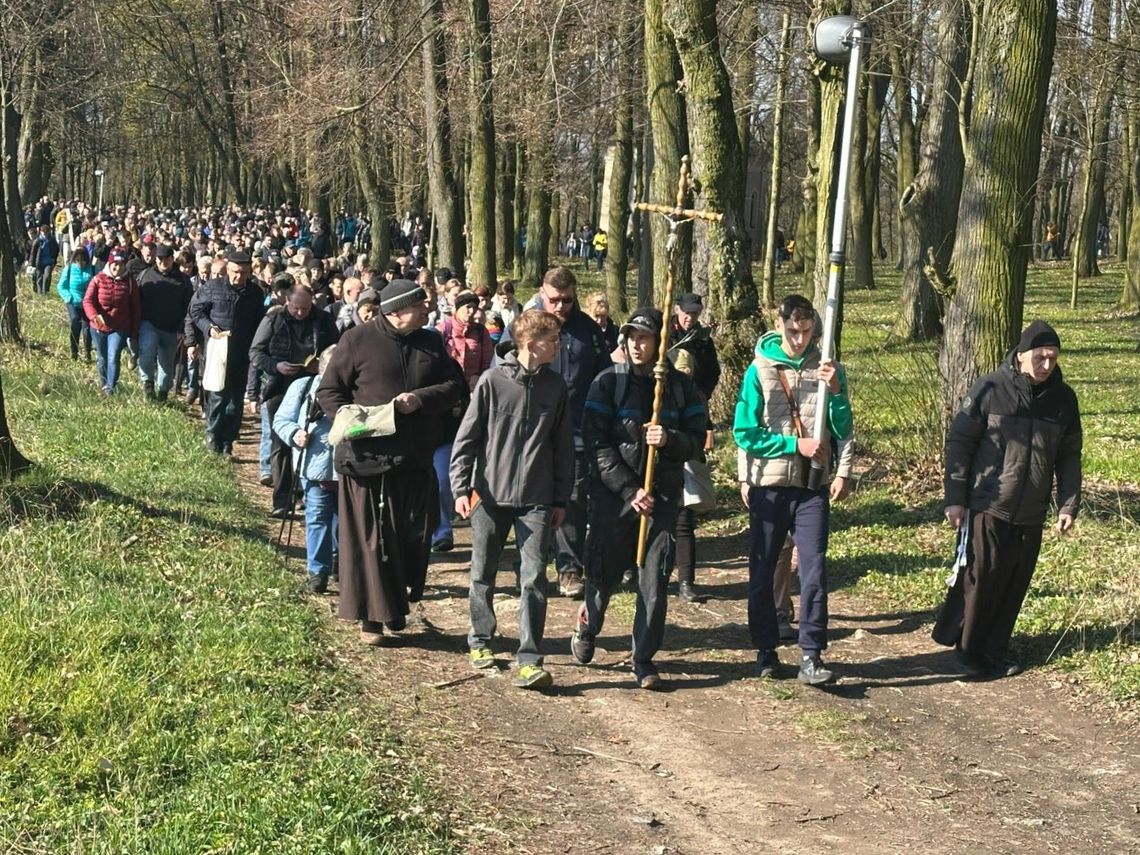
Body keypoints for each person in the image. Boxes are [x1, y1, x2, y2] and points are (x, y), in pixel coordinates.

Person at [316, 279, 465, 645]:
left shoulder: (430, 342)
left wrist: (421, 400)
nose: (429, 309)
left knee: (410, 537)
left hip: (415, 458)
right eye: (421, 304)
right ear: (397, 310)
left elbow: (457, 386)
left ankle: (395, 603)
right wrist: (354, 420)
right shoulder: (357, 340)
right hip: (367, 460)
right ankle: (372, 618)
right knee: (372, 542)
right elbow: (328, 392)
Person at [933, 320, 1081, 678]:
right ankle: (969, 653)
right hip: (988, 503)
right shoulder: (989, 389)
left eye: (1053, 357)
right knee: (982, 577)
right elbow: (960, 444)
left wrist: (1068, 503)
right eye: (1040, 357)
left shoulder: (1064, 399)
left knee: (1014, 582)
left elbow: (1069, 455)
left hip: (1031, 510)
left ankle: (994, 650)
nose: (1046, 365)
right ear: (1021, 354)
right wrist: (955, 497)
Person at [571, 307, 707, 690]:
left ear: (660, 343)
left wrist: (669, 439)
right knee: (602, 575)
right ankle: (588, 627)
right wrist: (631, 491)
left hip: (663, 497)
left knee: (655, 579)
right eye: (631, 336)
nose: (636, 344)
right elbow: (596, 445)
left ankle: (643, 658)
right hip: (614, 498)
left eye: (644, 338)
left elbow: (696, 442)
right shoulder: (607, 383)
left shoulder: (680, 388)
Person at [450, 310, 574, 689]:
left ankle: (530, 657)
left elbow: (563, 447)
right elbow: (467, 438)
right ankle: (481, 640)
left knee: (535, 576)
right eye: (552, 340)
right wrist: (460, 488)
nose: (558, 345)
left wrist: (560, 498)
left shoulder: (557, 387)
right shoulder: (491, 382)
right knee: (482, 571)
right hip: (488, 494)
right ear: (531, 343)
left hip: (537, 498)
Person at [733, 294, 853, 686]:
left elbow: (841, 426)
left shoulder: (827, 368)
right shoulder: (759, 369)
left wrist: (835, 392)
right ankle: (765, 650)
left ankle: (812, 654)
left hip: (811, 485)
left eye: (807, 332)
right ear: (780, 324)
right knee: (764, 569)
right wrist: (791, 445)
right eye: (793, 331)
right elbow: (744, 432)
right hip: (769, 484)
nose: (800, 339)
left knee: (814, 569)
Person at [500, 267, 612, 597]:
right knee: (529, 499)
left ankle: (570, 568)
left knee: (572, 501)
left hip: (574, 432)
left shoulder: (589, 332)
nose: (561, 307)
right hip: (529, 434)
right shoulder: (524, 325)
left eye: (567, 300)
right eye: (554, 300)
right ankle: (529, 564)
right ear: (541, 292)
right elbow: (504, 367)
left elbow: (602, 379)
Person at [250, 285, 340, 517]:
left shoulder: (324, 320)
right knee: (281, 441)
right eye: (296, 308)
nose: (300, 313)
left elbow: (337, 351)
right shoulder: (273, 320)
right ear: (287, 302)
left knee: (312, 439)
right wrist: (275, 366)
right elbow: (256, 353)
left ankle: (307, 494)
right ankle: (282, 499)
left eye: (305, 308)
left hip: (314, 385)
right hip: (279, 386)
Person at [666, 293, 722, 603]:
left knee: (685, 514)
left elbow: (713, 372)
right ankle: (646, 574)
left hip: (690, 425)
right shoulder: (664, 332)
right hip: (660, 431)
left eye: (695, 313)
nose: (690, 317)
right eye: (687, 312)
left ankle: (686, 581)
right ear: (677, 311)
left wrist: (699, 398)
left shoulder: (702, 339)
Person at [274, 345, 340, 594]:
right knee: (318, 518)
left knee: (342, 522)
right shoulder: (302, 388)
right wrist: (295, 434)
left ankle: (338, 564)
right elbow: (282, 420)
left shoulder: (356, 389)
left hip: (348, 468)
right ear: (322, 368)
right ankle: (318, 571)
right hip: (314, 466)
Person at [188, 248, 267, 457]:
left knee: (235, 401)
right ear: (227, 270)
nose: (238, 276)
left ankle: (228, 441)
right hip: (218, 350)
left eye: (243, 272)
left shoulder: (256, 293)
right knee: (217, 396)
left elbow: (261, 323)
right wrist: (209, 328)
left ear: (249, 272)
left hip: (243, 353)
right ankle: (213, 436)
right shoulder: (212, 288)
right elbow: (195, 311)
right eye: (234, 272)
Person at [430, 290, 492, 552]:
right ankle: (442, 530)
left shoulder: (481, 333)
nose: (470, 312)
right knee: (441, 472)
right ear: (455, 308)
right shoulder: (441, 330)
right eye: (466, 307)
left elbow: (490, 363)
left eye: (473, 308)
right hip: (446, 402)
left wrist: (481, 379)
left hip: (474, 399)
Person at [136, 243, 194, 401]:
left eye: (167, 259)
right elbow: (136, 299)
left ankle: (162, 393)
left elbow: (189, 307)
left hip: (172, 327)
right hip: (149, 323)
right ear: (156, 259)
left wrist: (184, 328)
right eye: (160, 259)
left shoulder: (183, 280)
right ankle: (147, 383)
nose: (163, 262)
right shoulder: (145, 275)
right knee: (147, 351)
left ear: (171, 259)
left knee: (166, 363)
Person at [82, 247, 140, 395]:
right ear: (109, 263)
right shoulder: (98, 279)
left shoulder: (130, 283)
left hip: (120, 327)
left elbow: (135, 308)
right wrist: (94, 315)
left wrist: (134, 332)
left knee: (113, 356)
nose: (117, 267)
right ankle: (103, 384)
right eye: (115, 264)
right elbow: (87, 301)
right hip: (99, 326)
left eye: (121, 264)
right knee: (102, 358)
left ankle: (110, 388)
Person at [56, 247, 95, 361]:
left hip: (87, 303)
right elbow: (61, 286)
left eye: (83, 261)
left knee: (87, 328)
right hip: (73, 301)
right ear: (74, 260)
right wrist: (68, 297)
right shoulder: (69, 269)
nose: (80, 264)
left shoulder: (91, 269)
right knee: (75, 322)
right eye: (77, 261)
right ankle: (74, 352)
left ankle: (87, 351)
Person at [29, 224, 60, 295]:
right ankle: (40, 294)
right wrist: (31, 264)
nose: (45, 234)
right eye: (43, 232)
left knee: (47, 275)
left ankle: (45, 291)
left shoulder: (52, 240)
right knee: (39, 278)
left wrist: (54, 259)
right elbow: (33, 253)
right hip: (39, 262)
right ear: (40, 232)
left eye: (46, 232)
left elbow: (56, 250)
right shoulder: (37, 241)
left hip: (49, 262)